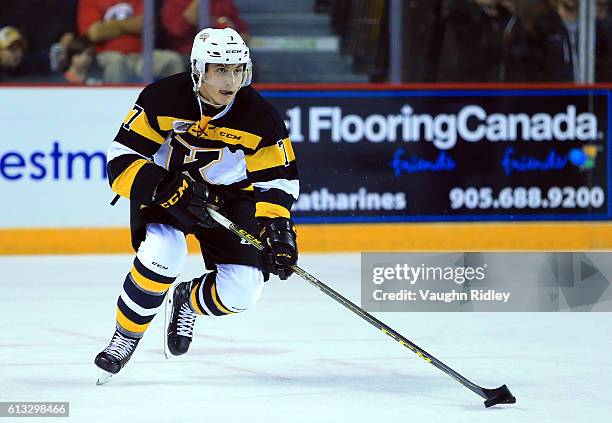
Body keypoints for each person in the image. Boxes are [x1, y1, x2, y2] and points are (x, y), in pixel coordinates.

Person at [94, 27, 299, 383]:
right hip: (168, 189)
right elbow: (120, 160)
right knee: (164, 252)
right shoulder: (162, 98)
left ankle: (187, 299)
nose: (231, 80)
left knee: (243, 291)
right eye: (220, 69)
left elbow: (277, 182)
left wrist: (278, 232)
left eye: (237, 70)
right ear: (198, 70)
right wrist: (162, 187)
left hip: (230, 198)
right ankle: (124, 338)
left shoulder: (260, 117)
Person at [78, 0, 186, 82]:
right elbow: (95, 34)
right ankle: (115, 107)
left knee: (172, 60)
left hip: (140, 57)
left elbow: (145, 25)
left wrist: (110, 25)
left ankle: (179, 109)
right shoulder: (90, 1)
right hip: (105, 56)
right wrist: (130, 25)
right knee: (116, 61)